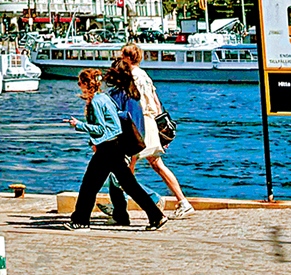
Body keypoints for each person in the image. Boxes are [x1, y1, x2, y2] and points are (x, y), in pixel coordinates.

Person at [65, 66, 163, 229]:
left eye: (79, 82)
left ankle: (80, 221)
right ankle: (156, 215)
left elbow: (101, 129)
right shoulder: (105, 98)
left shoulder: (96, 102)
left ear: (85, 84)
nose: (78, 85)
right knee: (129, 185)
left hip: (107, 148)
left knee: (89, 185)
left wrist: (79, 125)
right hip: (117, 146)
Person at [115, 44, 196, 217]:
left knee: (127, 166)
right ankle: (182, 201)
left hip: (138, 124)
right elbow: (157, 103)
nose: (120, 58)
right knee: (156, 164)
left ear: (128, 58)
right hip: (150, 123)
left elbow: (132, 103)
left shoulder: (131, 76)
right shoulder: (145, 75)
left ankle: (127, 206)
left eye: (122, 56)